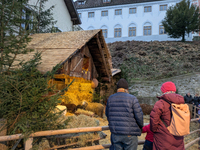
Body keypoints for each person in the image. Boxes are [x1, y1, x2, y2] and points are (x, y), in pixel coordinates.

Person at [106, 78, 143, 150]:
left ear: (117, 89)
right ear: (127, 89)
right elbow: (139, 116)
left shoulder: (110, 98)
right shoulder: (132, 99)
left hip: (116, 133)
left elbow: (107, 115)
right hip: (130, 134)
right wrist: (140, 127)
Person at [150, 81, 185, 150]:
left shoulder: (160, 103)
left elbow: (153, 121)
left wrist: (156, 130)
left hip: (163, 138)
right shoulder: (181, 103)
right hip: (178, 137)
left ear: (164, 91)